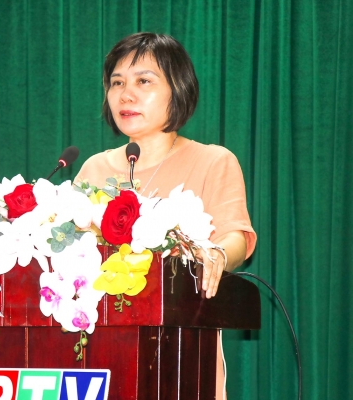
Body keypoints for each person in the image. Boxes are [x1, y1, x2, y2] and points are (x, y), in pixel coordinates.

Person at [74, 32, 257, 400]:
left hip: (179, 351)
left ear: (179, 88)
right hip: (95, 350)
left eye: (144, 81)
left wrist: (217, 254)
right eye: (117, 83)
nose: (126, 94)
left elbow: (236, 236)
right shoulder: (94, 168)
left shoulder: (213, 161)